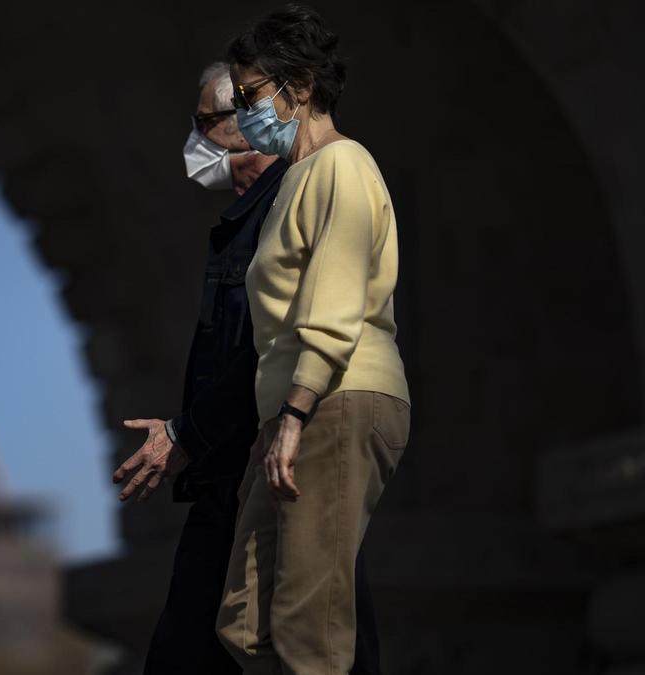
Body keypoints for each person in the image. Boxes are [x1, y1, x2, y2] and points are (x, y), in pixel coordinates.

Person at [112, 62, 382, 675]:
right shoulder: (254, 215)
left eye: (206, 122)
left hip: (267, 461)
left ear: (251, 123)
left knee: (305, 643)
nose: (196, 142)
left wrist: (187, 432)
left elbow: (275, 345)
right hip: (240, 465)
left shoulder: (290, 204)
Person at [212, 5, 412, 674]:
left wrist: (294, 415)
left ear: (297, 88)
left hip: (332, 398)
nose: (241, 112)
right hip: (297, 407)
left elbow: (331, 302)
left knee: (309, 628)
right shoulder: (295, 177)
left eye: (249, 94)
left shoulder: (342, 165)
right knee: (244, 618)